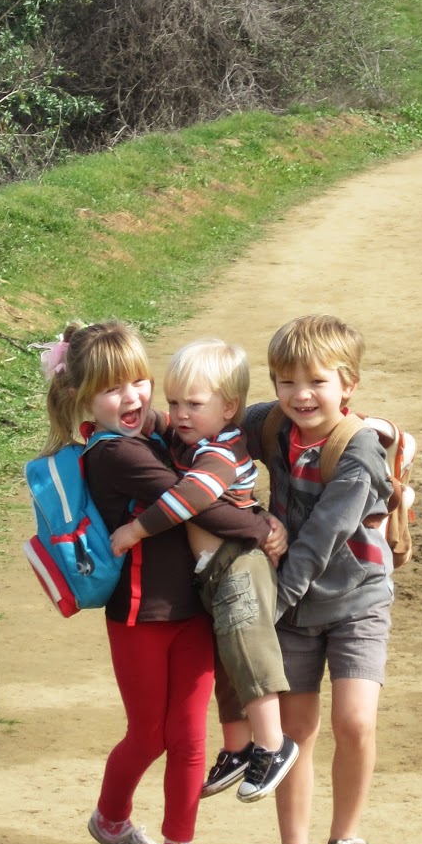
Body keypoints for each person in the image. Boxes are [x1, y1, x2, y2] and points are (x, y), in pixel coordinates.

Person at [41, 321, 280, 844]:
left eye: (138, 383)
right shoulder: (117, 454)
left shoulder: (151, 430)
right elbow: (202, 505)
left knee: (188, 737)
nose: (133, 399)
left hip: (192, 610)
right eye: (112, 390)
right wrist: (267, 526)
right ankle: (112, 821)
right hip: (139, 615)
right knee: (148, 734)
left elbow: (223, 422)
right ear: (82, 402)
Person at [107, 338, 299, 804]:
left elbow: (188, 500)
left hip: (240, 564)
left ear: (229, 407)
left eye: (193, 404)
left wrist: (137, 529)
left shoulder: (222, 449)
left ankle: (272, 743)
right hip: (213, 571)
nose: (180, 414)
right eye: (173, 403)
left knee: (249, 652)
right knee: (227, 662)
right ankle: (237, 748)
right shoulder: (189, 437)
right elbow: (154, 424)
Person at [242, 314, 394, 844]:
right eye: (285, 381)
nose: (300, 395)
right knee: (294, 731)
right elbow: (220, 419)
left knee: (355, 722)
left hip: (355, 600)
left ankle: (346, 842)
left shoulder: (359, 453)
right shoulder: (274, 425)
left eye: (317, 382)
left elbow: (321, 539)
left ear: (348, 384)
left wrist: (269, 607)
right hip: (297, 609)